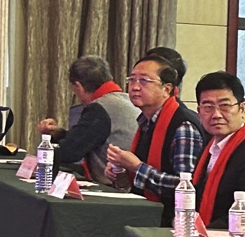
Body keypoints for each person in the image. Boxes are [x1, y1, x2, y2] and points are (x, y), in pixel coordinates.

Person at [105, 54, 204, 226]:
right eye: (132, 80)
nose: (135, 87)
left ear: (167, 89)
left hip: (174, 222)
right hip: (145, 212)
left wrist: (137, 167)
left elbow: (185, 187)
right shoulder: (146, 122)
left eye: (144, 81)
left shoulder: (182, 126)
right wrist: (120, 171)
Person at [188, 72, 245, 230]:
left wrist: (207, 231)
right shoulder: (209, 147)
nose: (216, 115)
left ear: (242, 109)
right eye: (208, 107)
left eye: (225, 106)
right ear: (199, 111)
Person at [36, 55, 139, 184]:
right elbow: (84, 138)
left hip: (112, 185)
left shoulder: (100, 108)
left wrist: (43, 151)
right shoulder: (126, 100)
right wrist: (57, 133)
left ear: (78, 86)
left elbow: (70, 152)